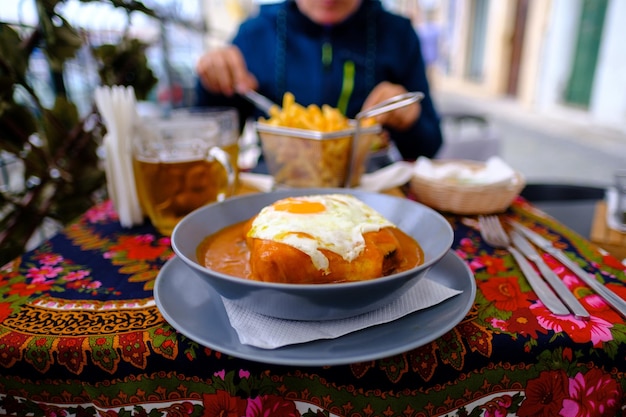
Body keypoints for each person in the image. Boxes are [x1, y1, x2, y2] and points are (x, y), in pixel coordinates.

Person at [195, 0, 443, 163]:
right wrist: (214, 85)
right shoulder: (255, 34)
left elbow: (429, 147)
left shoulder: (398, 34)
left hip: (368, 190)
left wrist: (410, 119)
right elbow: (207, 144)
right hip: (273, 188)